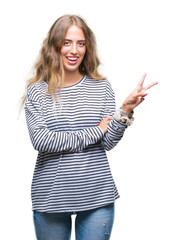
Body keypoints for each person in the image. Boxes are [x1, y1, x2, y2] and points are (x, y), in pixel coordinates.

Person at [24, 14, 158, 240]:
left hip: (97, 195)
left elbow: (106, 142)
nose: (74, 50)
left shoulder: (101, 87)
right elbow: (42, 140)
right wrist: (95, 131)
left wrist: (124, 111)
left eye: (81, 43)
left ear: (88, 48)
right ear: (54, 46)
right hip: (51, 196)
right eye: (66, 42)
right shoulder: (38, 91)